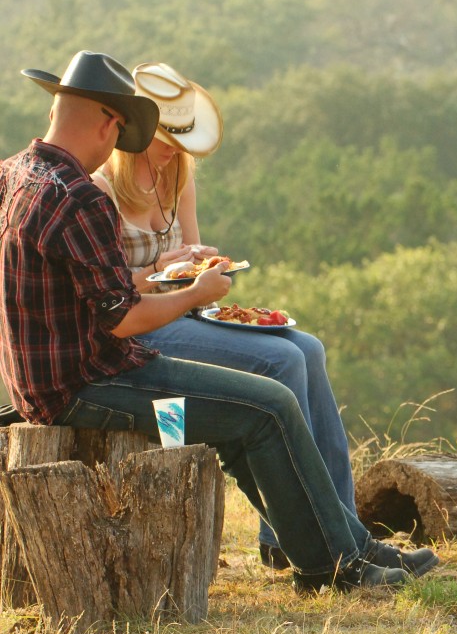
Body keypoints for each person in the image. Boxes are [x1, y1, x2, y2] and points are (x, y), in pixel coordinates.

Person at [0, 50, 434, 593]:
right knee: (270, 405)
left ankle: (341, 551)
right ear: (109, 124)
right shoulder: (78, 197)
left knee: (244, 421)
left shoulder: (14, 173)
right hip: (89, 385)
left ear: (57, 108)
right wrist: (196, 293)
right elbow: (124, 319)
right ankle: (337, 566)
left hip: (56, 380)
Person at [90, 62, 400, 576]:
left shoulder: (177, 176)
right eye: (165, 138)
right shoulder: (101, 191)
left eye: (180, 138)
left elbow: (189, 262)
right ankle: (299, 535)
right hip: (146, 324)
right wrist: (159, 269)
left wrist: (199, 262)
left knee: (308, 349)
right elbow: (109, 296)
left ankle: (343, 528)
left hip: (185, 310)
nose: (173, 149)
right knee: (280, 361)